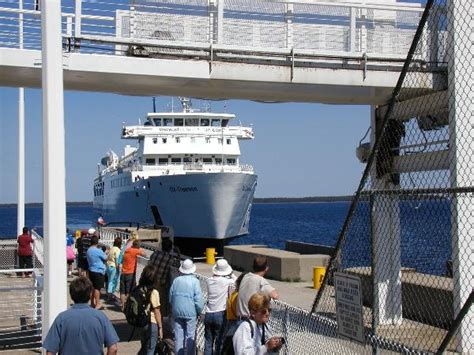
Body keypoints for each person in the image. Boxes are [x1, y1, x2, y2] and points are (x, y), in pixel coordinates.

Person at [43, 276, 119, 355]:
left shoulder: (61, 318)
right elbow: (113, 348)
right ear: (90, 295)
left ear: (72, 295)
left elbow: (50, 352)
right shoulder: (100, 317)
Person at [169, 259, 204, 355]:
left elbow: (170, 296)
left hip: (176, 311)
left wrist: (174, 307)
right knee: (190, 335)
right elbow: (198, 300)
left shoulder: (176, 280)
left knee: (178, 335)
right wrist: (199, 310)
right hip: (190, 312)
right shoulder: (195, 281)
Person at [204, 259, 236, 355]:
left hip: (208, 313)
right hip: (220, 314)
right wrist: (231, 273)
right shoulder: (227, 281)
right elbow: (237, 280)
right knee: (219, 342)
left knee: (208, 341)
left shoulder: (209, 280)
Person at [148, 238, 181, 318]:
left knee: (149, 302)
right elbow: (178, 266)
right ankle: (158, 323)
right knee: (158, 305)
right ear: (170, 248)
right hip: (160, 284)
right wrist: (178, 254)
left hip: (149, 281)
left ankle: (147, 319)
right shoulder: (170, 259)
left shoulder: (155, 253)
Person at [138, 264, 164, 355]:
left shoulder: (139, 289)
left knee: (143, 347)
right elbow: (157, 311)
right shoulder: (154, 292)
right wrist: (160, 327)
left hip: (141, 322)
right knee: (150, 349)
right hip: (151, 322)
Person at [120, 239, 146, 309]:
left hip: (123, 273)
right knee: (129, 291)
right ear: (137, 246)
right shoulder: (135, 251)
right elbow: (144, 254)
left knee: (122, 291)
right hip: (130, 274)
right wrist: (139, 250)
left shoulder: (127, 250)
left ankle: (122, 306)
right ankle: (128, 306)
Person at [87, 235, 107, 309]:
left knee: (93, 287)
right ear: (97, 242)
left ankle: (92, 302)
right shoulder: (98, 251)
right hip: (98, 271)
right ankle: (98, 303)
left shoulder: (89, 250)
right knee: (97, 288)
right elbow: (106, 258)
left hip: (91, 270)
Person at [106, 237, 122, 303]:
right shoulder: (118, 250)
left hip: (108, 265)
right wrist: (119, 268)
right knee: (113, 281)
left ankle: (108, 294)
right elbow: (117, 260)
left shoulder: (111, 248)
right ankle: (110, 296)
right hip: (113, 266)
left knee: (109, 280)